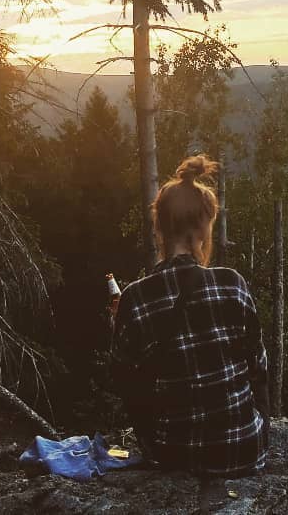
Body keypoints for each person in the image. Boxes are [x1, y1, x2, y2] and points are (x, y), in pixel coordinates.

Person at [110, 154, 270, 477]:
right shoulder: (232, 285)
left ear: (159, 227)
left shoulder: (135, 298)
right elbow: (259, 368)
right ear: (202, 230)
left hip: (173, 456)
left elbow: (123, 380)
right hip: (243, 450)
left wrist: (118, 321)